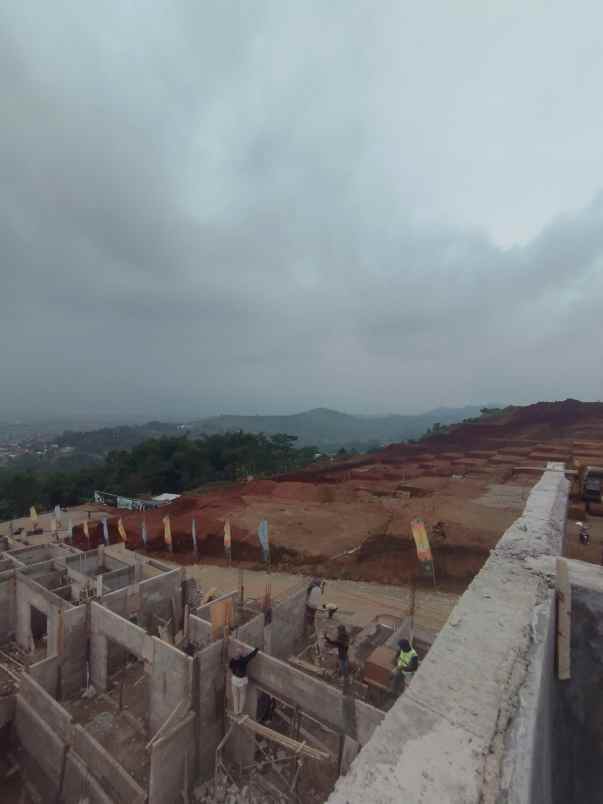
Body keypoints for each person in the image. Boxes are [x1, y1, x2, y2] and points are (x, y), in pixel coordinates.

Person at [229, 647, 258, 715]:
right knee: (242, 695)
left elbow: (230, 667)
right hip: (242, 680)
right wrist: (257, 649)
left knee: (235, 696)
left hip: (234, 679)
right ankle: (240, 711)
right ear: (241, 654)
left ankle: (236, 711)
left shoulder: (232, 660)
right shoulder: (243, 660)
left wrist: (234, 670)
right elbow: (251, 656)